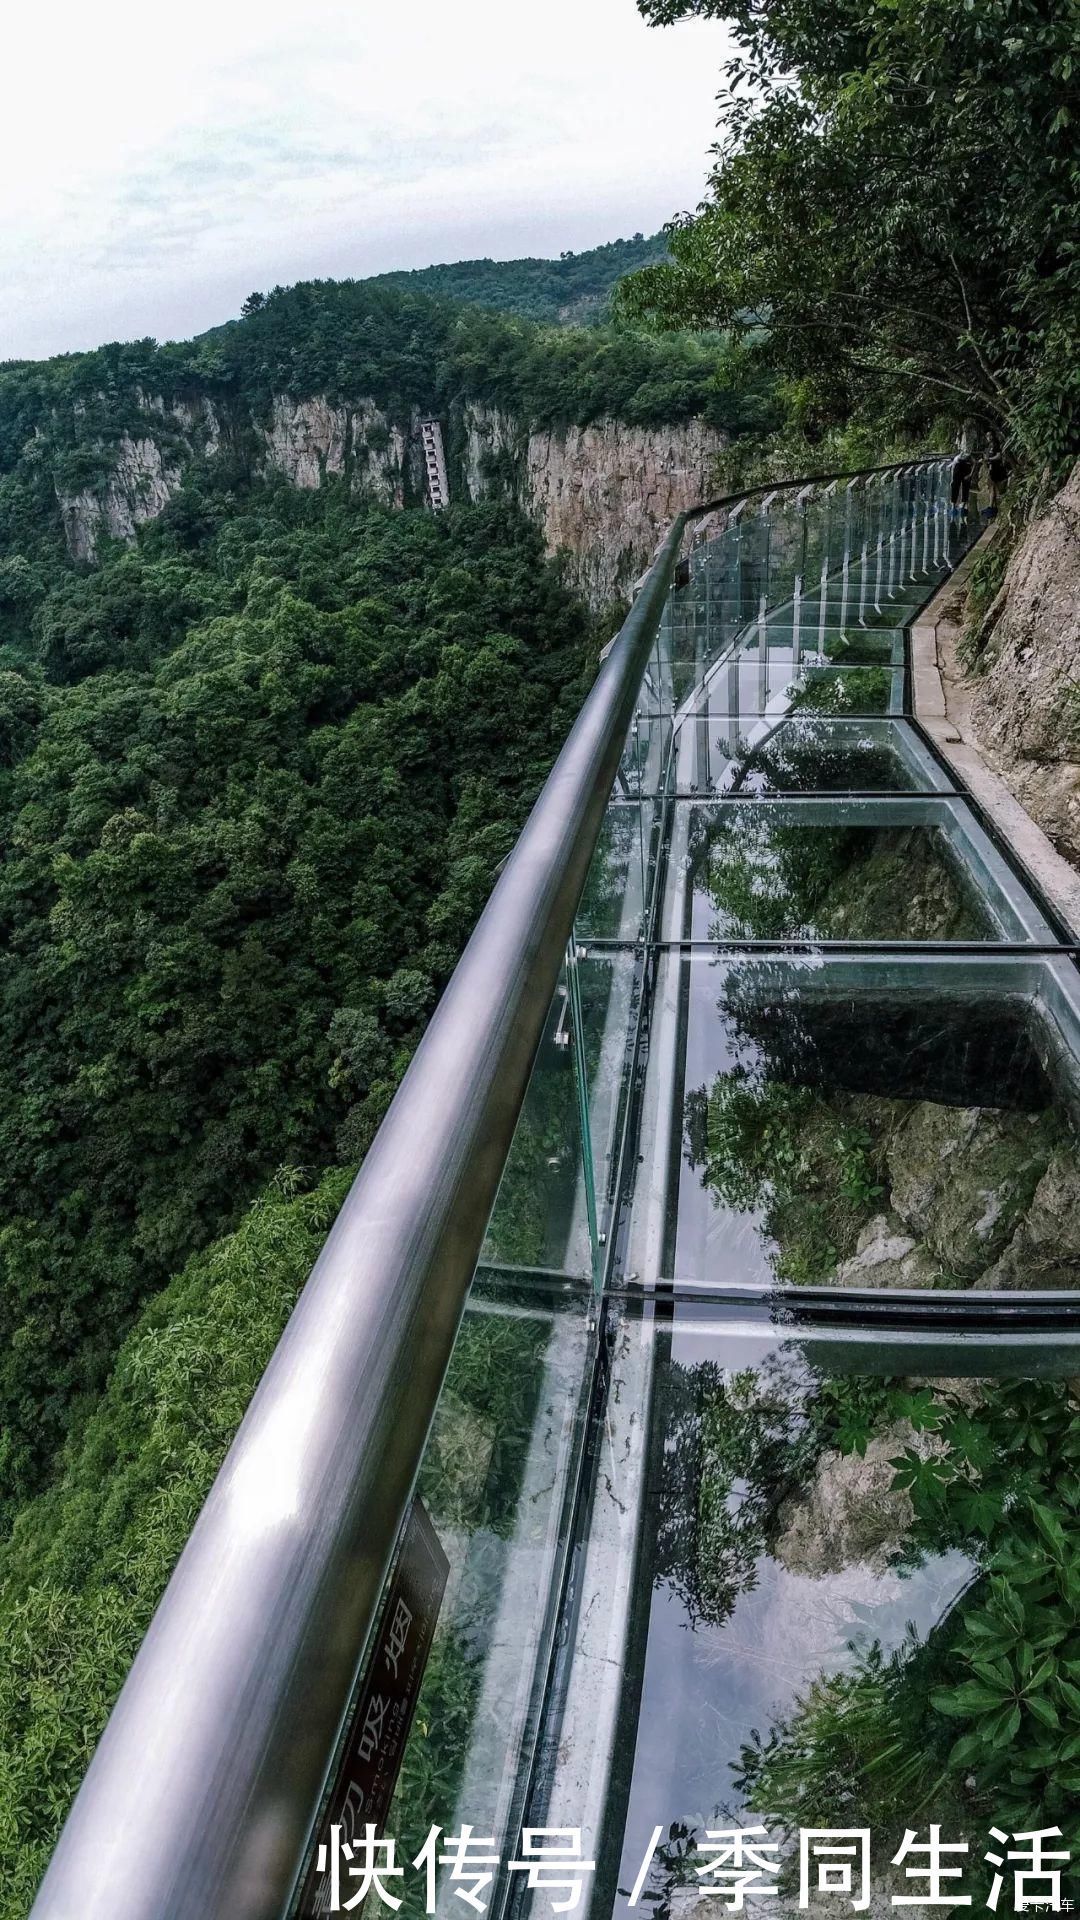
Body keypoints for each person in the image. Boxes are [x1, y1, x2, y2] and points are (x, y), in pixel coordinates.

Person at [986, 438, 1009, 516]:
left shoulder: (996, 446)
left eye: (990, 436)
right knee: (992, 488)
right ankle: (993, 508)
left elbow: (999, 456)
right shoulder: (989, 447)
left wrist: (989, 459)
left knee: (993, 487)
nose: (988, 438)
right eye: (987, 436)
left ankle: (990, 507)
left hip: (996, 469)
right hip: (991, 468)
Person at [949, 448, 975, 518]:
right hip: (957, 471)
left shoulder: (969, 458)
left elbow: (974, 463)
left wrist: (970, 475)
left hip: (966, 471)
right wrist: (952, 479)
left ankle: (963, 507)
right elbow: (953, 468)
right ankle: (953, 506)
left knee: (965, 488)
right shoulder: (957, 458)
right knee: (955, 487)